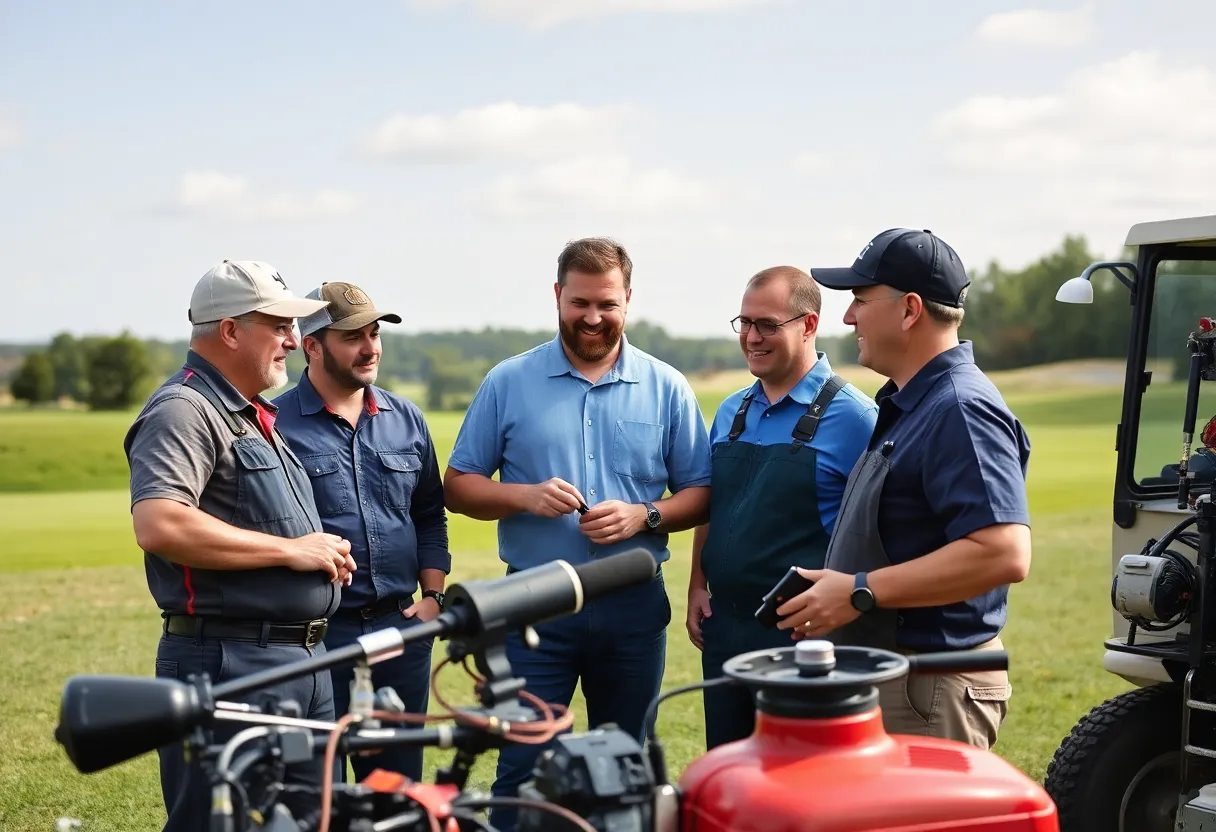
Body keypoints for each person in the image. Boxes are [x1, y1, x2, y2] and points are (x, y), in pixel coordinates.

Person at [443, 237, 712, 831]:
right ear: (558, 296)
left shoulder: (667, 387)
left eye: (608, 305)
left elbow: (702, 494)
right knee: (521, 769)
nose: (594, 317)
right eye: (581, 302)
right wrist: (524, 497)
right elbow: (458, 486)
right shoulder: (508, 381)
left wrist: (645, 516)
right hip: (533, 609)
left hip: (632, 607)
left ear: (628, 301)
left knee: (625, 767)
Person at [775, 228, 1032, 750]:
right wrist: (842, 582)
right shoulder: (913, 399)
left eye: (861, 301)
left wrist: (859, 591)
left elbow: (1003, 553)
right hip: (904, 679)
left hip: (929, 689)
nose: (847, 318)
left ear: (910, 309)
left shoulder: (959, 408)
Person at [123, 260, 357, 832]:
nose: (292, 341)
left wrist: (318, 550)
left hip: (302, 664)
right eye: (277, 326)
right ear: (229, 331)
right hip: (232, 667)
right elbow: (160, 523)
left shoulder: (252, 415)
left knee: (312, 820)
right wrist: (291, 552)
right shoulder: (183, 410)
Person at [687, 266, 877, 749]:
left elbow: (878, 535)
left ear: (809, 325)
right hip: (723, 631)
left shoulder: (855, 418)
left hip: (802, 639)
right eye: (744, 323)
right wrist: (696, 584)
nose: (751, 337)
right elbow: (715, 504)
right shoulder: (730, 411)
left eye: (767, 325)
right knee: (730, 776)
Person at [273, 281, 451, 783]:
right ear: (312, 345)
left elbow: (429, 514)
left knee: (394, 792)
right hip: (316, 640)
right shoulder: (273, 425)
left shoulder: (407, 418)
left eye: (374, 334)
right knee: (318, 793)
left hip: (401, 631)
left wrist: (433, 597)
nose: (370, 347)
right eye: (353, 337)